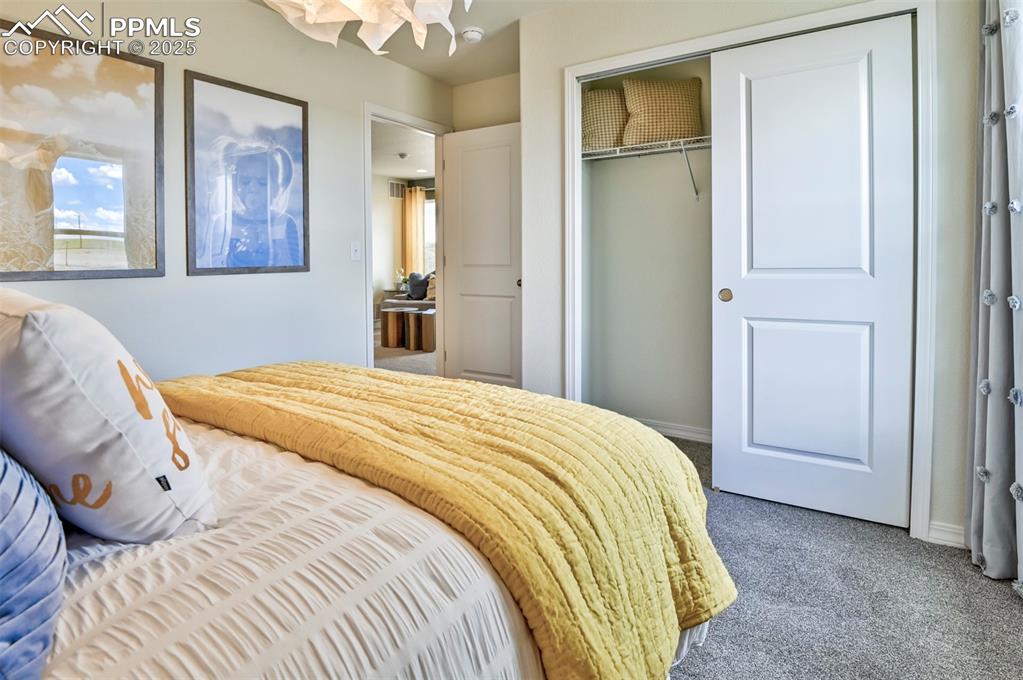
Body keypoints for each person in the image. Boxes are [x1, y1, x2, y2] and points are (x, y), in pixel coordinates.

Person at [200, 139, 302, 268]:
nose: (253, 188)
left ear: (276, 188)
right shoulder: (223, 223)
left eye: (262, 183)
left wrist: (271, 248)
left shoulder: (285, 223)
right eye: (245, 182)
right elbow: (217, 267)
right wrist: (241, 253)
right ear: (235, 185)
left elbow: (293, 268)